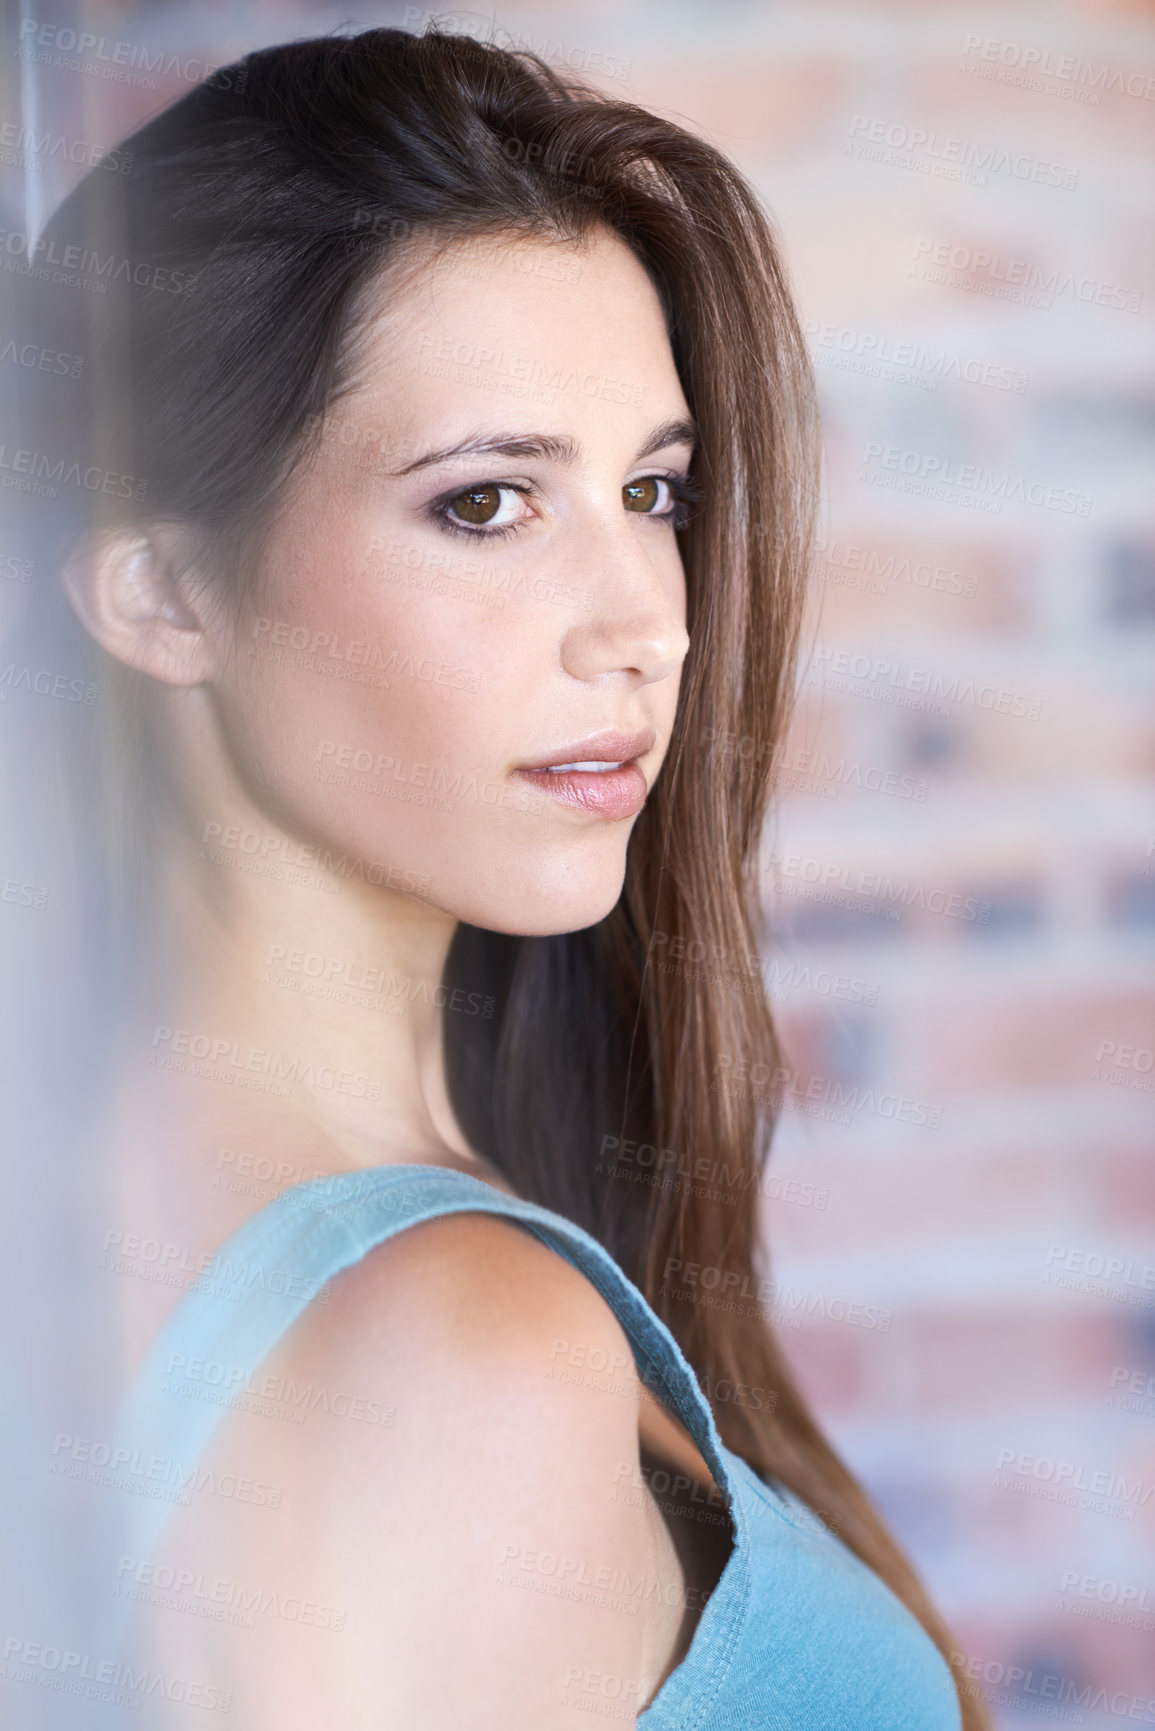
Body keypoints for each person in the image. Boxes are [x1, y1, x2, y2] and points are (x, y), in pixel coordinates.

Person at [7, 25, 986, 1728]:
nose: (646, 626)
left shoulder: (147, 1223)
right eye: (486, 505)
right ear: (164, 588)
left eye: (652, 489)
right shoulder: (454, 1354)